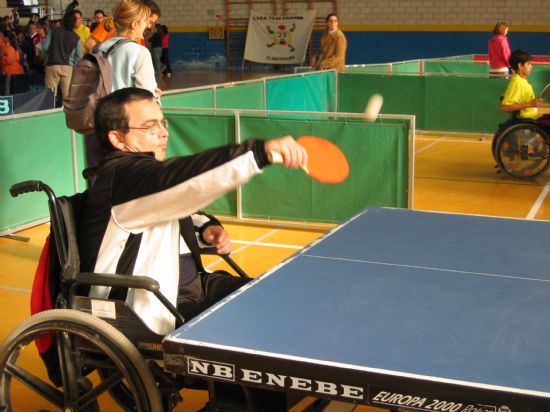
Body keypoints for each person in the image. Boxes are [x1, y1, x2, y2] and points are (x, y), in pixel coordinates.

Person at [84, 0, 159, 169]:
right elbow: (146, 97)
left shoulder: (98, 48)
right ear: (134, 24)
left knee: (98, 181)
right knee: (128, 183)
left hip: (97, 126)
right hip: (125, 130)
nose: (147, 27)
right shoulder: (139, 52)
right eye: (144, 22)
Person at [43, 11, 82, 103]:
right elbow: (79, 56)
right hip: (67, 68)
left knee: (50, 95)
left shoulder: (53, 32)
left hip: (52, 66)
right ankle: (66, 116)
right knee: (67, 96)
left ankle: (50, 115)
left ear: (63, 21)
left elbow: (45, 48)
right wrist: (72, 65)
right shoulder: (76, 37)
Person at [500, 49, 544, 120]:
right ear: (520, 66)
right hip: (528, 120)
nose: (531, 66)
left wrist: (534, 102)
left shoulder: (522, 80)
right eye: (528, 64)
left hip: (533, 117)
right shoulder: (517, 82)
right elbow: (504, 107)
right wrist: (530, 104)